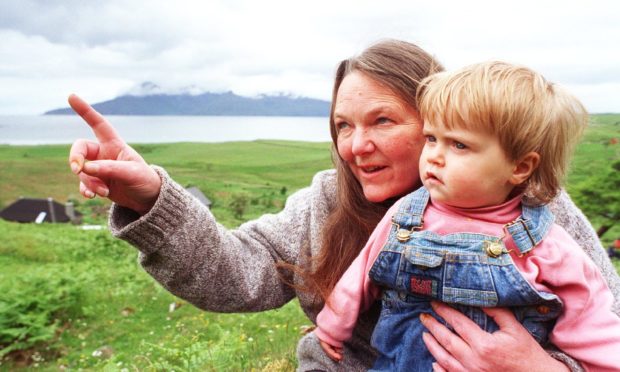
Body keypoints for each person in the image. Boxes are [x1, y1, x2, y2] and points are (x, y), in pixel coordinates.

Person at [67, 40, 620, 371]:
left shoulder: (534, 213)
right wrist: (151, 198)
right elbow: (237, 274)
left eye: (382, 120)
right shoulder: (328, 201)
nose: (355, 146)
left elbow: (605, 322)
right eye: (342, 126)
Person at [315, 61, 620, 371]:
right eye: (432, 138)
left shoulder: (545, 243)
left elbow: (591, 319)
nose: (434, 155)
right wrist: (333, 322)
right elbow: (362, 271)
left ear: (519, 167)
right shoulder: (409, 215)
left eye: (459, 144)